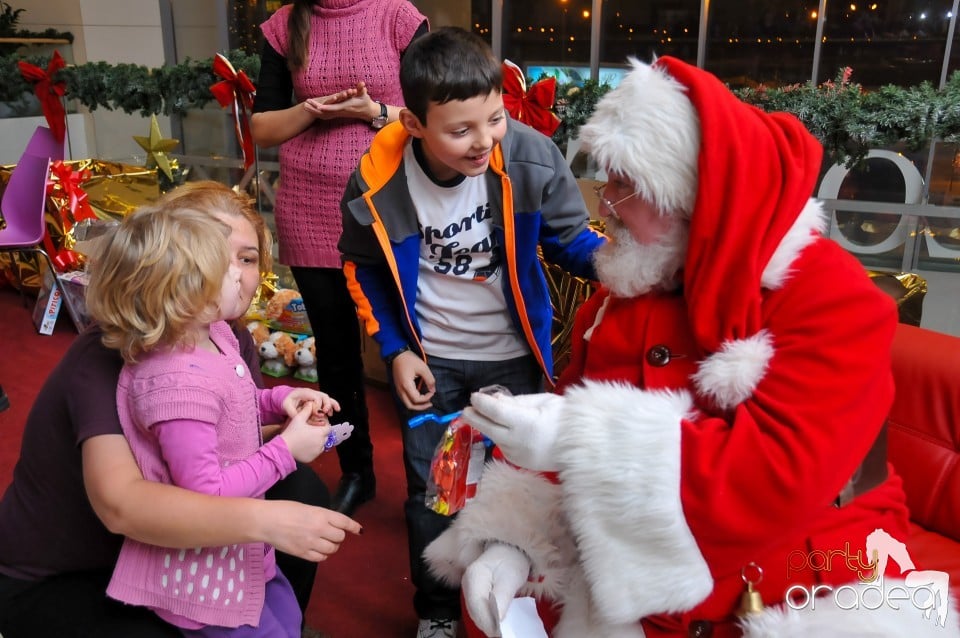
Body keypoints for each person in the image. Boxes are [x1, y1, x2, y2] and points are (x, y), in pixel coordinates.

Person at [423, 58, 960, 637]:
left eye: (623, 184)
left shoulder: (832, 298)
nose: (605, 203)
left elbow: (778, 475)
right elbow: (563, 441)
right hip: (643, 595)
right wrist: (515, 544)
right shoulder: (622, 295)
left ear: (690, 195)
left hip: (813, 586)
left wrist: (577, 438)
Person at [0, 182, 361, 638]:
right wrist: (269, 517)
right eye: (212, 255)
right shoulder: (112, 350)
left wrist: (284, 421)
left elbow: (220, 433)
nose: (232, 274)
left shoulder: (224, 335)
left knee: (301, 489)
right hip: (72, 567)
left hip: (163, 544)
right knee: (286, 504)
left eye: (247, 259)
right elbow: (123, 506)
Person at [338, 26, 606, 638]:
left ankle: (511, 613)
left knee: (517, 492)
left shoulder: (530, 157)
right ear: (412, 123)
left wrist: (632, 271)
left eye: (493, 119)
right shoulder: (378, 181)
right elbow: (361, 266)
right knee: (436, 497)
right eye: (461, 130)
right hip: (435, 366)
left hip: (514, 361)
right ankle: (436, 614)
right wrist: (396, 349)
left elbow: (572, 241)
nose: (483, 141)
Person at [250, 0, 428, 517]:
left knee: (407, 340)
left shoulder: (398, 17)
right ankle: (356, 469)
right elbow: (262, 127)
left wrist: (369, 112)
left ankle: (426, 475)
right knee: (335, 350)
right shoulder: (285, 26)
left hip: (385, 204)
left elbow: (431, 116)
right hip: (308, 204)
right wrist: (310, 110)